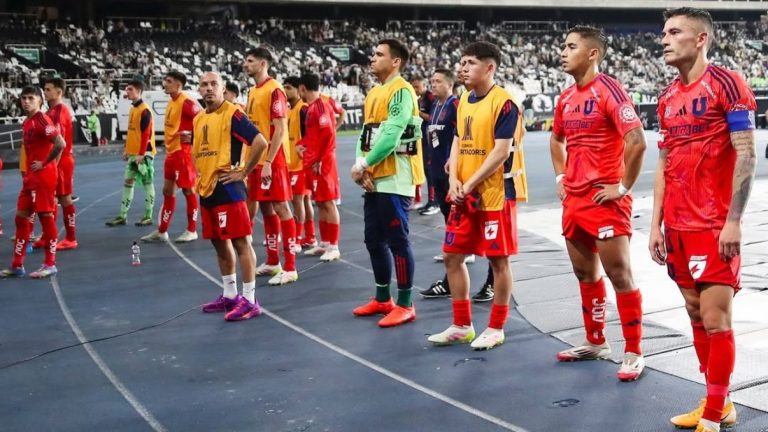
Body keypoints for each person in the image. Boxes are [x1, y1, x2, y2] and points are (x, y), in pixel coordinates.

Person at [650, 8, 756, 431]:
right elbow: (664, 160)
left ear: (701, 39)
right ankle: (718, 402)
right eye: (663, 32)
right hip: (676, 225)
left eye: (674, 31)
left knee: (716, 319)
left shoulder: (727, 84)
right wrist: (655, 222)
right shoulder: (666, 97)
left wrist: (734, 221)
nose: (664, 39)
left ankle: (714, 415)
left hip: (714, 223)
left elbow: (746, 153)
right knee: (694, 314)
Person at [549, 25, 647, 381]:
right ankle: (596, 341)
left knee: (619, 274)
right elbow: (556, 141)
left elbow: (637, 141)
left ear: (592, 53)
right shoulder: (565, 98)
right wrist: (561, 178)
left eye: (571, 46)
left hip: (605, 202)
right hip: (574, 200)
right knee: (584, 273)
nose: (563, 51)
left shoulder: (609, 91)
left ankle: (634, 350)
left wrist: (622, 187)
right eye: (564, 45)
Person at [426, 41, 520, 350]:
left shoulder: (505, 103)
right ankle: (462, 324)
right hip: (464, 193)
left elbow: (501, 151)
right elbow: (456, 140)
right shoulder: (463, 99)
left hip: (494, 193)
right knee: (453, 256)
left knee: (498, 261)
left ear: (489, 67)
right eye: (462, 62)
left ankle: (496, 327)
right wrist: (454, 179)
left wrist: (470, 182)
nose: (463, 68)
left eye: (470, 63)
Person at [350, 39, 425, 328]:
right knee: (373, 240)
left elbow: (392, 134)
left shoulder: (402, 91)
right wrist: (361, 165)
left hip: (396, 176)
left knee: (397, 240)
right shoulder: (374, 93)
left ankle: (406, 303)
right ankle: (383, 298)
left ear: (395, 61)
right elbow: (365, 133)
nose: (372, 57)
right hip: (375, 177)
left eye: (379, 54)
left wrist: (364, 165)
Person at [193, 72, 269, 322]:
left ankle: (249, 300)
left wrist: (244, 171)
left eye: (214, 84)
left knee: (241, 243)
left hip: (229, 189)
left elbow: (260, 142)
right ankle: (230, 295)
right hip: (207, 189)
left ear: (223, 88)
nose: (208, 89)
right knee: (218, 242)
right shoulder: (198, 118)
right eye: (204, 85)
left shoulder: (233, 113)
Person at [243, 47, 298, 286]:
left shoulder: (275, 90)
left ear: (263, 63)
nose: (245, 64)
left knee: (281, 207)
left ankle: (291, 267)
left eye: (250, 61)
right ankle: (274, 261)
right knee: (266, 209)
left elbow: (280, 128)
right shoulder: (253, 91)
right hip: (257, 160)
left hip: (272, 161)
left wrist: (267, 162)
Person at [0, 86, 65, 278]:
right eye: (23, 98)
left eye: (31, 98)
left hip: (43, 177)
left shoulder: (42, 120)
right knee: (21, 218)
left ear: (40, 101)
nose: (26, 101)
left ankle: (50, 264)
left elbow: (60, 143)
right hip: (30, 178)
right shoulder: (27, 121)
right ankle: (17, 265)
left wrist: (45, 163)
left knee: (45, 218)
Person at [141, 71, 202, 243]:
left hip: (183, 153)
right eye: (165, 81)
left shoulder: (187, 102)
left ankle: (192, 230)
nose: (164, 84)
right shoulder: (171, 101)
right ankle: (162, 231)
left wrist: (193, 137)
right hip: (171, 154)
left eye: (168, 81)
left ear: (178, 85)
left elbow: (204, 121)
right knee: (168, 191)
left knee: (189, 190)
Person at [298, 73, 341, 261]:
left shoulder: (321, 106)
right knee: (321, 202)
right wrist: (301, 143)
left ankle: (334, 245)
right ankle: (324, 243)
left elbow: (329, 135)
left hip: (322, 163)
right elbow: (314, 136)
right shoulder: (312, 108)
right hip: (314, 162)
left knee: (329, 202)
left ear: (302, 89)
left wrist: (321, 160)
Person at [106, 79, 156, 227]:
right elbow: (131, 132)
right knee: (128, 183)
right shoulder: (133, 109)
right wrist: (127, 150)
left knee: (148, 183)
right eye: (126, 89)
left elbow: (146, 134)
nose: (127, 92)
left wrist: (141, 154)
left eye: (130, 89)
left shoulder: (144, 110)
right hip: (134, 154)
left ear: (139, 91)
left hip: (144, 154)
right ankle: (122, 216)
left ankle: (148, 216)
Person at [43, 77, 78, 250]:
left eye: (49, 89)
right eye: (45, 89)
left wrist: (52, 166)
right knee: (53, 198)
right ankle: (48, 236)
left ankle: (71, 237)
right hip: (59, 160)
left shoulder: (59, 111)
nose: (45, 91)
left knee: (64, 198)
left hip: (61, 160)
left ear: (59, 92)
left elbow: (59, 142)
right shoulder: (51, 111)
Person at [283, 77, 315, 251]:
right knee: (304, 200)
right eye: (284, 87)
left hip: (300, 165)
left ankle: (297, 237)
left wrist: (306, 154)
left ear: (298, 90)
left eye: (289, 87)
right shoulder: (289, 110)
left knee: (298, 201)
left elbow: (310, 135)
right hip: (291, 164)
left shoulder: (303, 109)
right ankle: (309, 236)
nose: (285, 90)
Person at [411, 75, 438, 215]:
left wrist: (417, 112)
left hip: (430, 139)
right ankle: (430, 201)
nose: (415, 89)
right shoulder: (420, 99)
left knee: (430, 170)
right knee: (426, 170)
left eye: (417, 86)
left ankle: (434, 202)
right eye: (413, 86)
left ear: (423, 85)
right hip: (422, 138)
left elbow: (431, 117)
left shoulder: (430, 98)